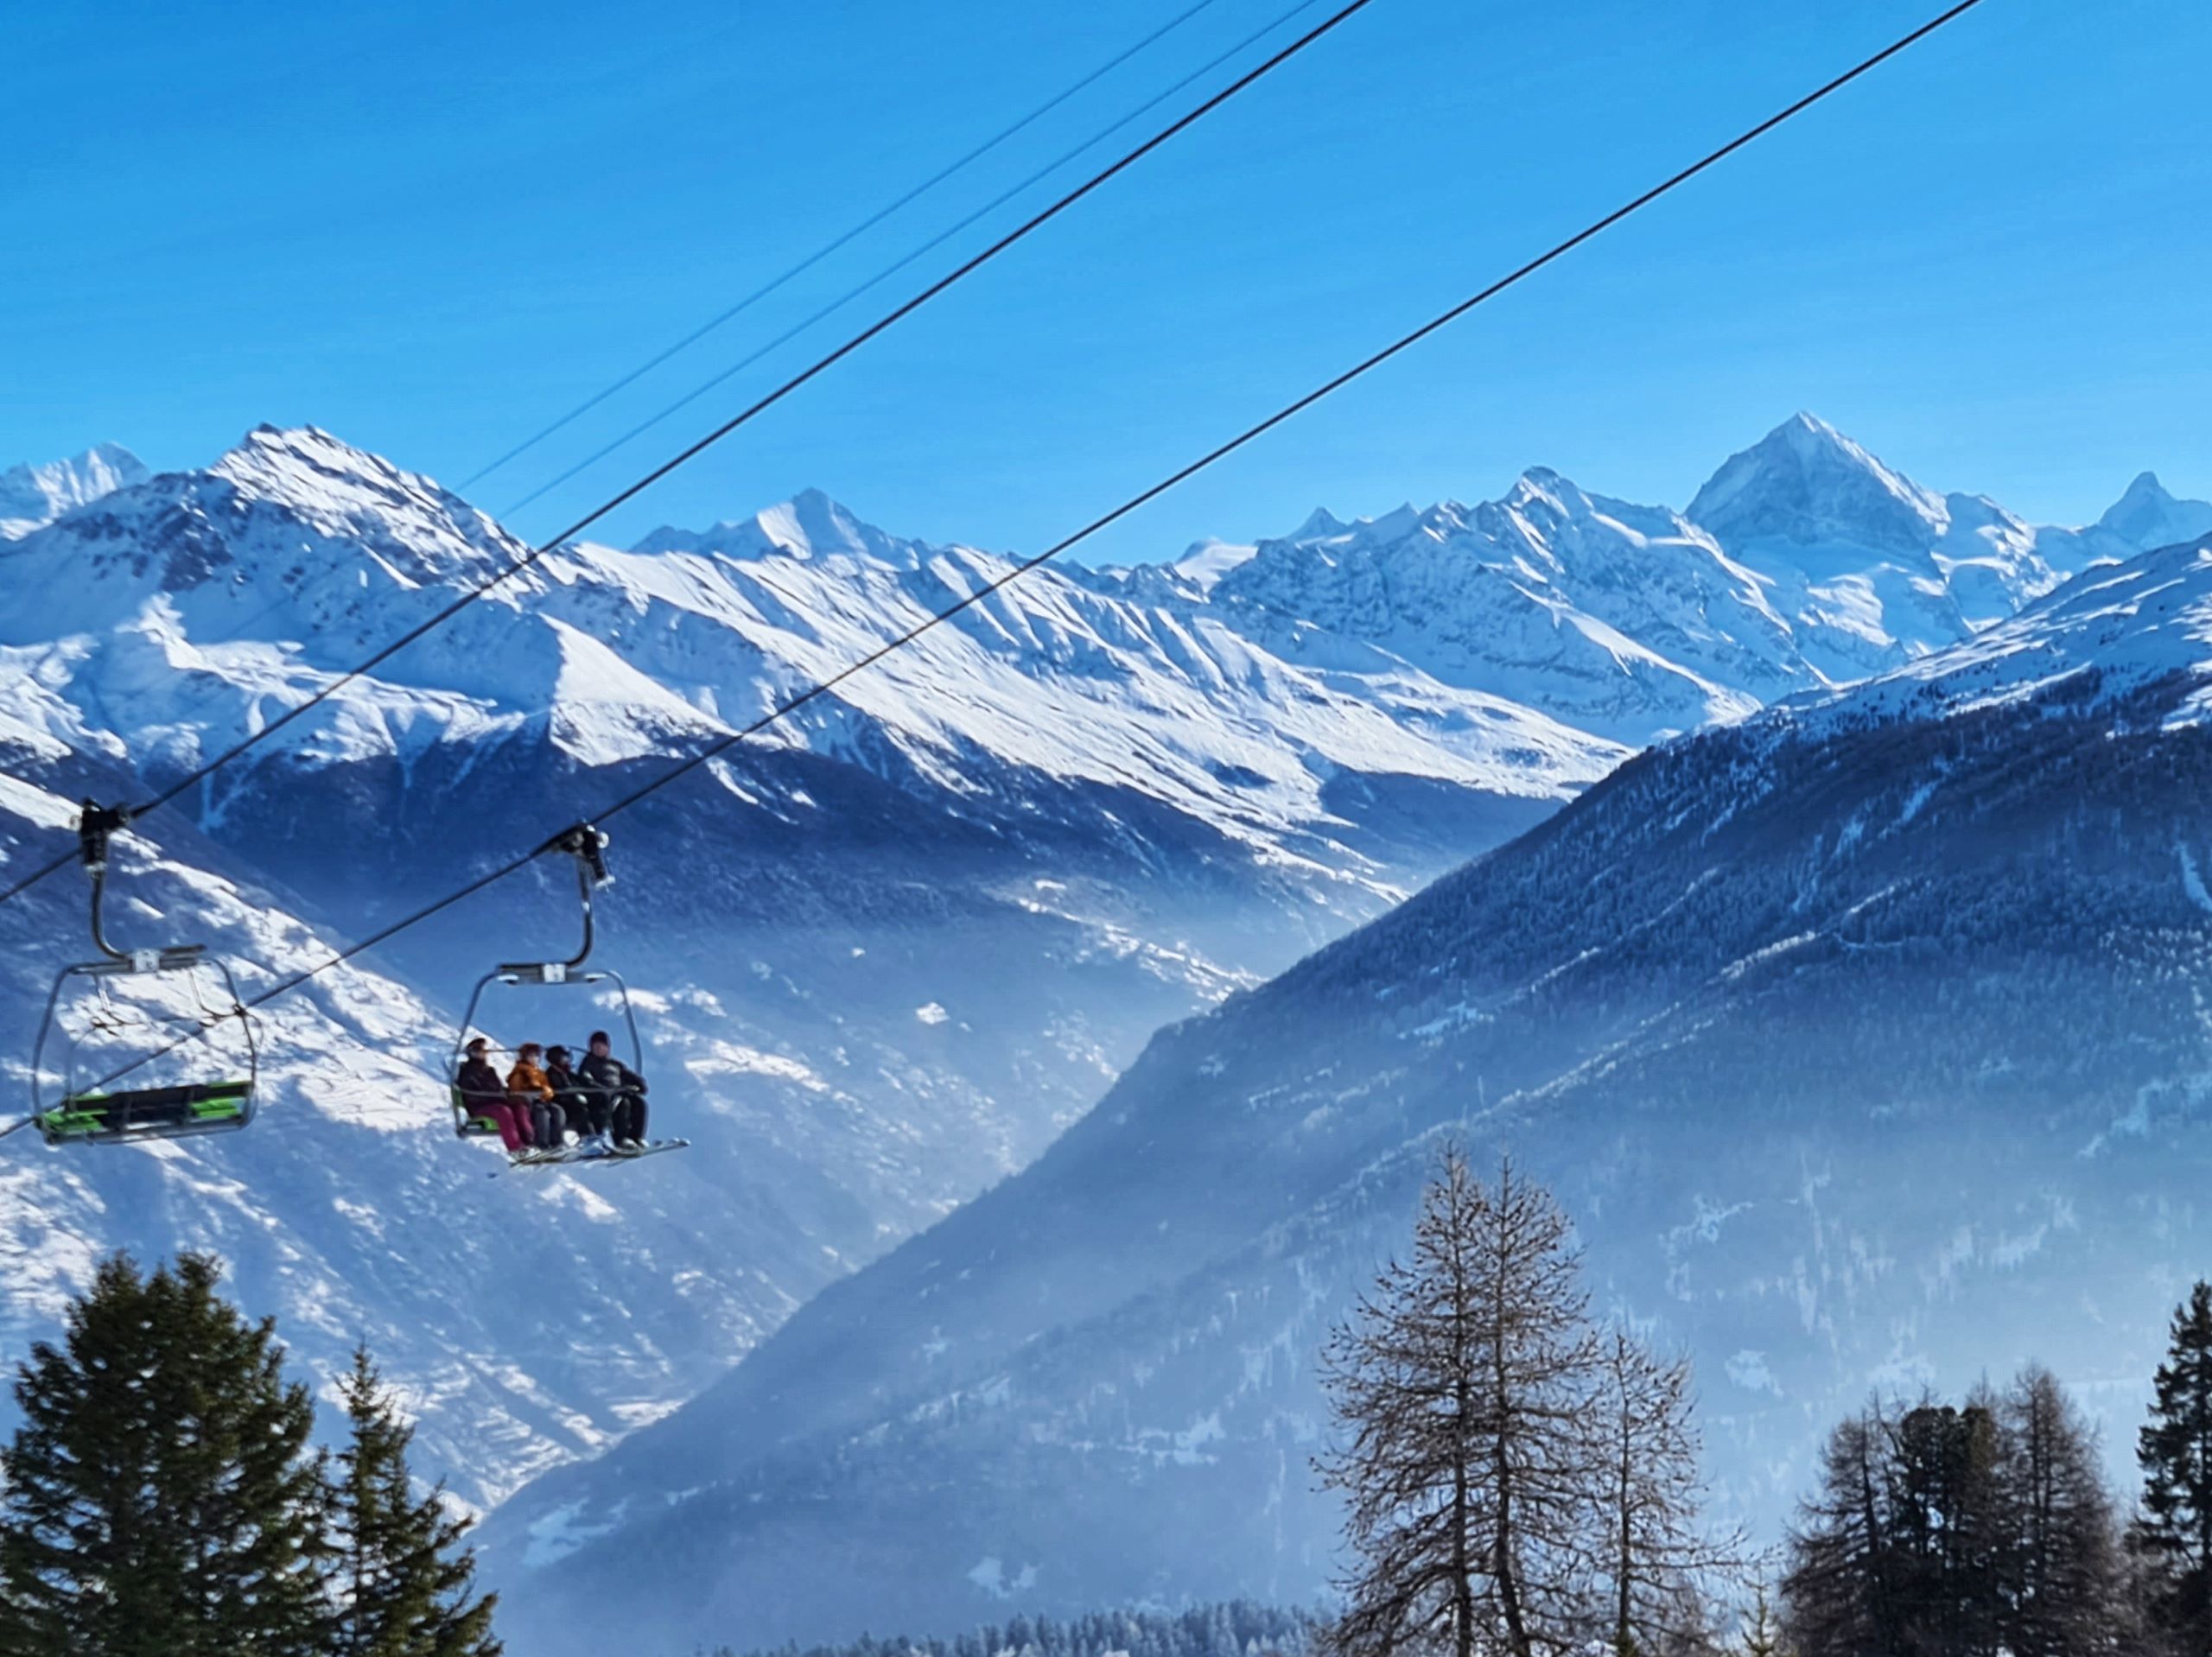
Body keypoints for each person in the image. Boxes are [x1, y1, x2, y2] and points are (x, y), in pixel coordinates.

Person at [575, 1029, 648, 1151]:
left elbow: (629, 1076)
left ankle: (636, 1138)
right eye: (595, 1046)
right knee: (622, 1104)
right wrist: (602, 1089)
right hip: (599, 1098)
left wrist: (639, 1084)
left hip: (619, 1093)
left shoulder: (615, 1064)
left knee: (639, 1103)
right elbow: (585, 1079)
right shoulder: (588, 1063)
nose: (598, 1049)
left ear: (607, 1047)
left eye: (601, 1046)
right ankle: (620, 1139)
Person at [457, 1037, 530, 1154]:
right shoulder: (467, 1071)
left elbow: (498, 1089)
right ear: (472, 1053)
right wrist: (495, 1098)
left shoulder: (489, 1071)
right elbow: (470, 1094)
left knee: (520, 1108)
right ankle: (515, 1149)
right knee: (503, 1111)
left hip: (495, 1103)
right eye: (478, 1051)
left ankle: (529, 1144)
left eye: (484, 1051)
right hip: (479, 1107)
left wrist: (509, 1097)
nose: (482, 1054)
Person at [506, 1042, 562, 1155]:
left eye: (536, 1056)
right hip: (528, 1103)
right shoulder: (519, 1072)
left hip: (542, 1101)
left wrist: (546, 1093)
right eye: (531, 1056)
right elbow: (515, 1089)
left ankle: (557, 1143)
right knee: (543, 1114)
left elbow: (547, 1088)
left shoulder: (540, 1073)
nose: (534, 1059)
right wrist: (532, 1091)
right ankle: (542, 1144)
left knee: (558, 1111)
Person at [544, 1044, 591, 1145]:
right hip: (561, 1104)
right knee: (579, 1111)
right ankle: (585, 1138)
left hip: (571, 1103)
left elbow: (581, 1082)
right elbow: (558, 1090)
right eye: (564, 1058)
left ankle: (592, 1136)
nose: (566, 1061)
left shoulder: (567, 1073)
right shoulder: (551, 1073)